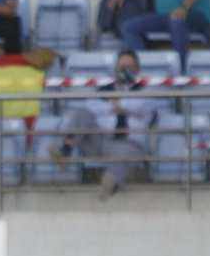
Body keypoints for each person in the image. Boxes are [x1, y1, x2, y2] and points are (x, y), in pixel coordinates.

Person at [50, 50, 157, 201]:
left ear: (137, 70)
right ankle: (65, 151)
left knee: (124, 154)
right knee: (82, 113)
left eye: (129, 67)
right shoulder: (104, 90)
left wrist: (113, 104)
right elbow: (91, 106)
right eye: (121, 67)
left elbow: (140, 107)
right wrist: (119, 108)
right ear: (115, 70)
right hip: (100, 141)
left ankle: (110, 185)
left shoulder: (145, 91)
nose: (124, 71)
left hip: (127, 142)